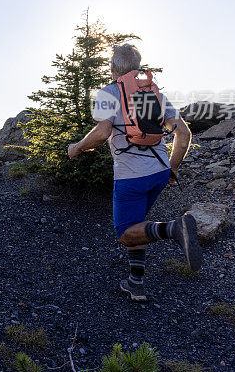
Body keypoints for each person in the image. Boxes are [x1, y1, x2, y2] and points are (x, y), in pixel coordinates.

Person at [67, 43, 199, 302]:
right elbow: (183, 134)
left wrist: (77, 148)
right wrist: (172, 168)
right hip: (160, 172)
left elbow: (102, 133)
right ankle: (135, 283)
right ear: (137, 68)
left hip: (131, 176)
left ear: (113, 68)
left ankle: (174, 229)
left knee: (126, 233)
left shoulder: (109, 92)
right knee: (138, 224)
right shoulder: (156, 94)